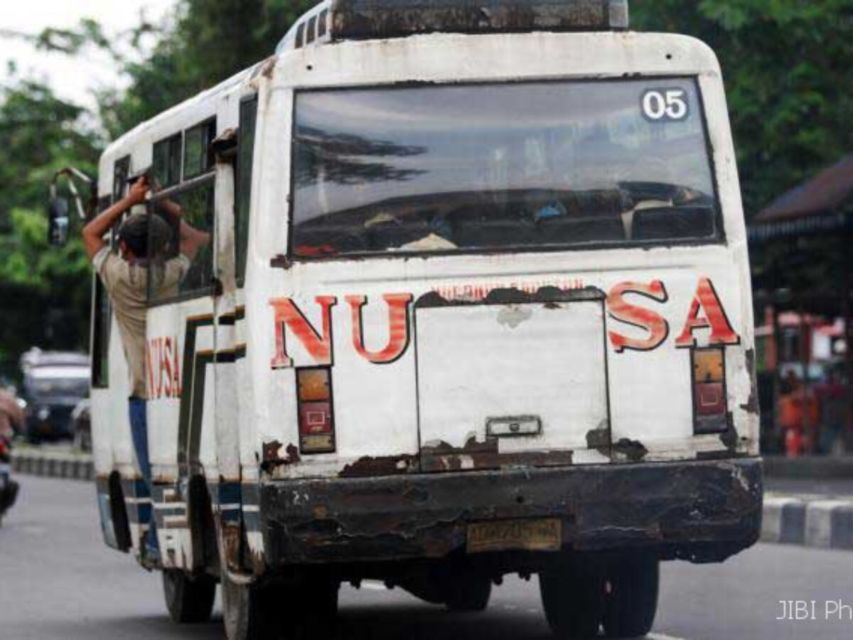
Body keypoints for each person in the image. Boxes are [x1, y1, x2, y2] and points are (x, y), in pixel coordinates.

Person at [82, 174, 210, 562]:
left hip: (144, 395)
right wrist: (162, 202)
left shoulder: (119, 277)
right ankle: (157, 543)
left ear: (121, 246)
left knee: (154, 471)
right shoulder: (169, 274)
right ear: (164, 248)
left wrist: (128, 201)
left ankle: (156, 544)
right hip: (177, 389)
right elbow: (196, 239)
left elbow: (90, 233)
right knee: (172, 470)